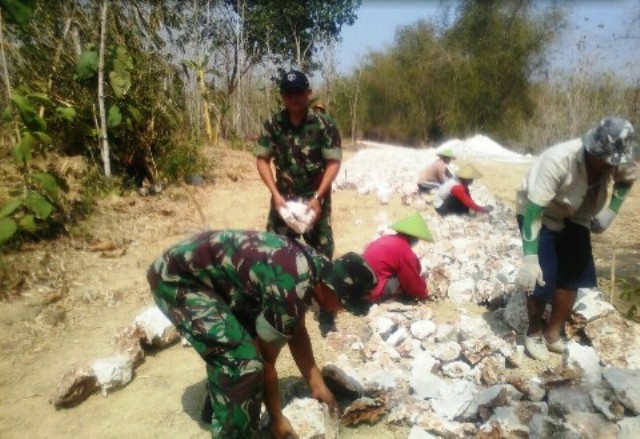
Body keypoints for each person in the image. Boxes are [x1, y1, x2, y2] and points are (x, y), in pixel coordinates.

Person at [146, 229, 377, 439]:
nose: (343, 311)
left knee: (242, 338)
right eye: (345, 305)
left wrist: (316, 384)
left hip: (204, 275)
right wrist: (277, 419)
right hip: (177, 280)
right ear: (333, 290)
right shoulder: (291, 290)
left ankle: (222, 404)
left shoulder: (316, 268)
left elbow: (296, 329)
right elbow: (266, 362)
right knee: (243, 363)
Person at [514, 116, 638, 361]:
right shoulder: (559, 160)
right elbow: (533, 211)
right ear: (594, 151)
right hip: (543, 214)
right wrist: (530, 258)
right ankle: (534, 331)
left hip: (579, 215)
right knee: (542, 275)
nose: (612, 168)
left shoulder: (618, 158)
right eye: (606, 162)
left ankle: (553, 333)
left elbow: (626, 179)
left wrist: (612, 210)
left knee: (572, 276)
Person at [255, 69, 343, 337]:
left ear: (308, 93)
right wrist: (276, 195)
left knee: (322, 253)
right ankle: (277, 306)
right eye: (288, 92)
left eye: (298, 92)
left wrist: (318, 198)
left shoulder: (323, 123)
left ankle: (327, 310)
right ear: (282, 96)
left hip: (315, 199)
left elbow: (333, 162)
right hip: (284, 200)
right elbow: (262, 159)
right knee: (275, 251)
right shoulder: (274, 124)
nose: (293, 97)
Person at [363, 212, 433, 303]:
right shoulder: (403, 250)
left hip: (360, 282)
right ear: (413, 237)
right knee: (402, 280)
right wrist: (424, 292)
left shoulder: (387, 238)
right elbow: (413, 284)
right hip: (370, 292)